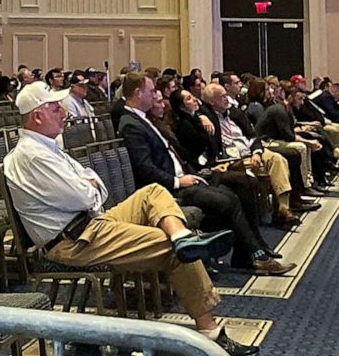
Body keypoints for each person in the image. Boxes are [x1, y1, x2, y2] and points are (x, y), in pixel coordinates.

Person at [3, 84, 258, 356]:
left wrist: (89, 187)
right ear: (37, 116)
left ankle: (181, 235)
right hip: (74, 241)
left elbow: (94, 186)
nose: (63, 112)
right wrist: (89, 187)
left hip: (90, 223)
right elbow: (85, 194)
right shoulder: (31, 155)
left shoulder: (46, 147)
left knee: (153, 193)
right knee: (171, 250)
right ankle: (210, 330)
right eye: (54, 108)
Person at [118, 72, 292, 274]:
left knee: (242, 184)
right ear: (138, 93)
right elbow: (144, 168)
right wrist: (178, 181)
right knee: (228, 200)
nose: (155, 95)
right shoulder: (131, 123)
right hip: (166, 189)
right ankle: (255, 255)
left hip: (185, 175)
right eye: (151, 91)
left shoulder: (144, 119)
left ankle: (248, 253)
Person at [200, 84, 316, 226]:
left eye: (226, 95)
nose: (227, 99)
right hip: (232, 159)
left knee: (278, 159)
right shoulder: (207, 116)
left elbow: (253, 135)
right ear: (211, 101)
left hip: (250, 151)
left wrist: (256, 152)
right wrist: (201, 116)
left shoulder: (234, 113)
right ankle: (280, 211)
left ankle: (283, 209)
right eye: (222, 97)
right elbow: (195, 107)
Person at [257, 84, 334, 190]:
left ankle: (313, 179)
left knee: (313, 138)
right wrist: (308, 142)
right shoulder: (279, 110)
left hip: (277, 138)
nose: (302, 102)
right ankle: (304, 185)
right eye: (299, 99)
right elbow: (289, 136)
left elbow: (291, 129)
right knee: (301, 147)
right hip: (267, 141)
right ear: (289, 98)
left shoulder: (285, 109)